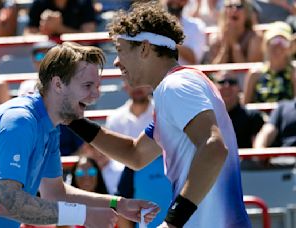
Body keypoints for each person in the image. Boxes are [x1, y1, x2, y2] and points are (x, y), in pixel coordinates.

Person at [0, 42, 159, 228]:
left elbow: (56, 194)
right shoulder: (20, 121)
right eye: (87, 86)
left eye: (97, 86)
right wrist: (84, 215)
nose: (96, 95)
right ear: (57, 84)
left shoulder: (48, 125)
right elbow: (7, 202)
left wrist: (118, 204)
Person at [67, 2, 250, 227]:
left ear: (144, 49)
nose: (116, 61)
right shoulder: (180, 85)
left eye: (121, 50)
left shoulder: (175, 86)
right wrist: (73, 120)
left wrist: (172, 221)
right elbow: (135, 154)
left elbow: (213, 147)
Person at [107, 81, 172, 228]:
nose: (137, 87)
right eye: (132, 83)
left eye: (140, 83)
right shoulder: (114, 118)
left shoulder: (164, 113)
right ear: (124, 86)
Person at [243, 21, 296, 104]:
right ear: (266, 44)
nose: (278, 46)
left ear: (289, 47)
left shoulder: (294, 73)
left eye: (284, 42)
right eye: (274, 40)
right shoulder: (255, 74)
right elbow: (245, 106)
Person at [214, 70, 264, 148]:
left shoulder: (253, 117)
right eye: (222, 82)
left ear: (239, 88)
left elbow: (257, 154)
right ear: (214, 87)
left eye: (232, 82)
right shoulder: (207, 118)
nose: (227, 86)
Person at [162, 0, 207, 65]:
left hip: (185, 74)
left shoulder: (196, 26)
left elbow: (194, 58)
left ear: (186, 2)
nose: (175, 1)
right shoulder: (154, 25)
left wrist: (169, 42)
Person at [25, 0, 97, 37]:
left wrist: (59, 29)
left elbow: (88, 38)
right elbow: (28, 35)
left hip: (80, 54)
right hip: (46, 55)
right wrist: (44, 31)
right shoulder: (39, 3)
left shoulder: (83, 2)